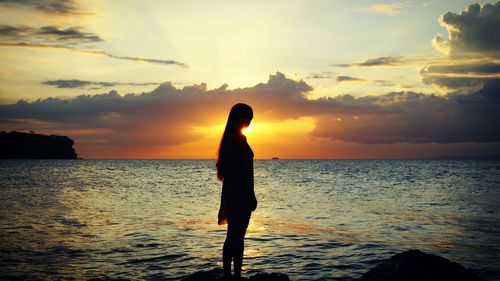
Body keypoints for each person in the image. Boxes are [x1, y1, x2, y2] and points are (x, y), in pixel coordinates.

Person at [216, 103, 258, 280]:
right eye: (247, 118)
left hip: (233, 193)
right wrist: (250, 195)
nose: (249, 122)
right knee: (237, 237)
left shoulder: (232, 140)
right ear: (239, 118)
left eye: (251, 119)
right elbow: (242, 174)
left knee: (233, 236)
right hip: (239, 194)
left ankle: (229, 274)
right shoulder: (237, 142)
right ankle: (235, 275)